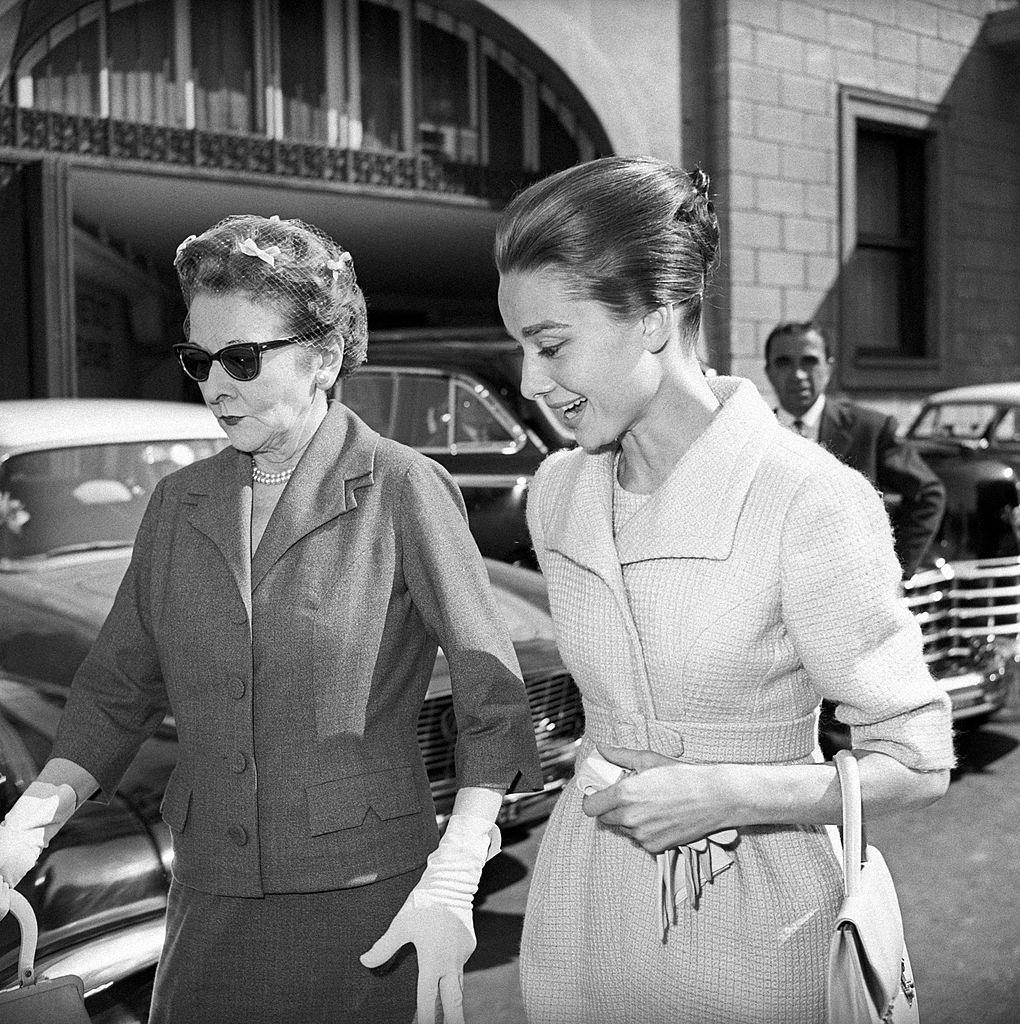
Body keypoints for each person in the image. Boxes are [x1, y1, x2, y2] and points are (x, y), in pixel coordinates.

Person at [0, 214, 543, 1024]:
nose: (216, 386)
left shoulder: (403, 489)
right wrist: (28, 823)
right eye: (199, 361)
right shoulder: (178, 504)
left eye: (243, 360)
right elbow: (115, 692)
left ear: (324, 354)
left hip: (372, 907)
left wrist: (459, 868)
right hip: (208, 900)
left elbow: (491, 703)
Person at [495, 157, 955, 1024]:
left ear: (655, 318)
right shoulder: (557, 492)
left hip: (762, 924)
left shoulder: (807, 499)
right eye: (521, 345)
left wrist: (728, 793)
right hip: (581, 908)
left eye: (551, 345)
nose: (530, 382)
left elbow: (919, 760)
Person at [764, 320, 945, 579]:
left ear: (829, 367)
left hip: (851, 591)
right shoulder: (757, 434)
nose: (798, 374)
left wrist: (895, 570)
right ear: (768, 371)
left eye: (810, 361)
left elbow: (927, 493)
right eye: (783, 362)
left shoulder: (869, 430)